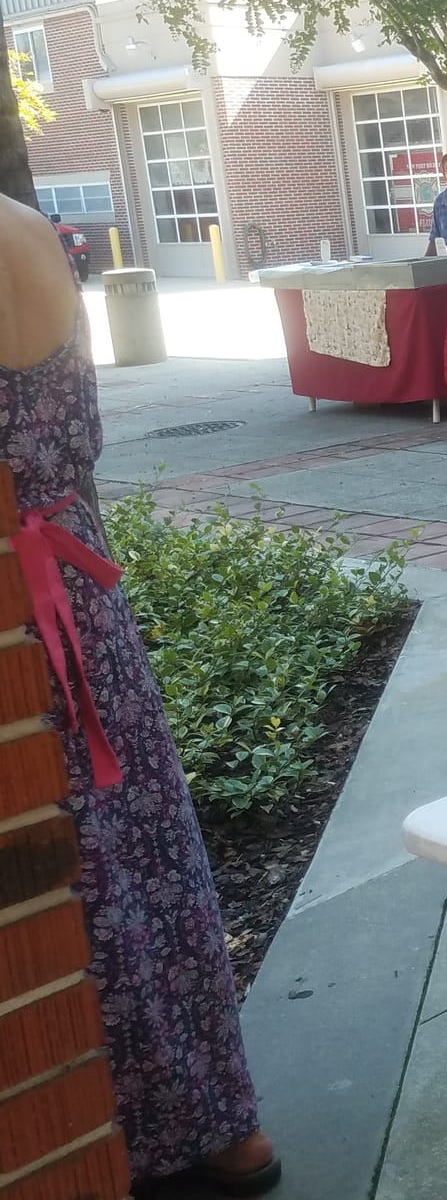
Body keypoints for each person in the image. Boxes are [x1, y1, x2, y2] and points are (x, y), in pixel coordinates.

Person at [0, 193, 279, 1195]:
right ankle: (221, 1121)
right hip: (83, 594)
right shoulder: (29, 226)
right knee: (144, 854)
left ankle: (119, 1133)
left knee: (76, 872)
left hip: (23, 615)